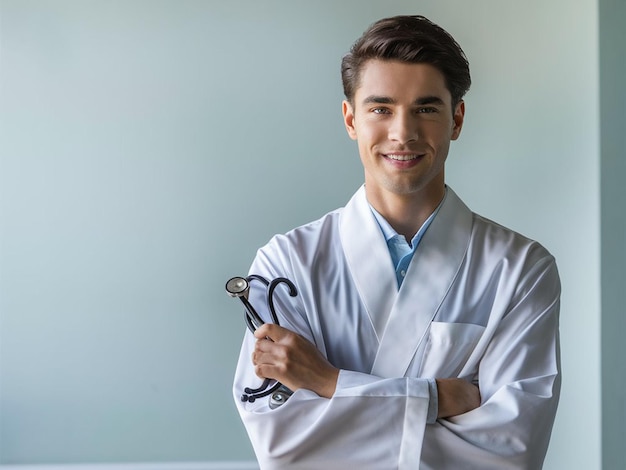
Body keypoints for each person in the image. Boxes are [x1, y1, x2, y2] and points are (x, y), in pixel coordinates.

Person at [232, 15, 561, 470]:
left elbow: (511, 452)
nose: (402, 133)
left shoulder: (521, 269)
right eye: (380, 108)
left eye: (426, 108)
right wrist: (439, 397)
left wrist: (328, 384)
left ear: (456, 119)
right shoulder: (285, 264)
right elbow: (283, 446)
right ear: (351, 119)